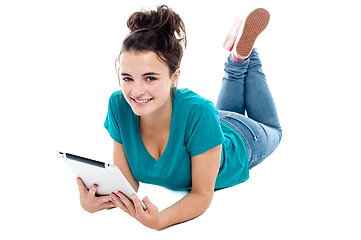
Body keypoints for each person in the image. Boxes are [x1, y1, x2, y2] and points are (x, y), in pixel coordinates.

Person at [76, 5, 282, 229]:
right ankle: (237, 58)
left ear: (174, 77)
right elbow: (127, 184)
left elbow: (202, 194)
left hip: (245, 137)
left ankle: (244, 56)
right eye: (127, 78)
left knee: (275, 130)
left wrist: (160, 220)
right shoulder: (118, 105)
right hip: (209, 127)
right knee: (218, 105)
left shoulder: (199, 111)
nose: (135, 91)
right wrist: (99, 201)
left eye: (150, 78)